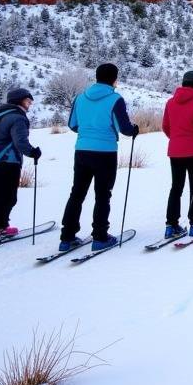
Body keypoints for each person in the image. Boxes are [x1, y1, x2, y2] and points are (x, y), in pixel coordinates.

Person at [58, 62, 140, 252]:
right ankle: (100, 236)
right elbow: (125, 128)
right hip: (105, 152)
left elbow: (72, 124)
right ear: (114, 79)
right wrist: (134, 129)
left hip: (82, 151)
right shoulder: (115, 99)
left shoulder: (80, 98)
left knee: (77, 194)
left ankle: (67, 237)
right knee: (103, 195)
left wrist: (88, 133)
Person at [0, 86, 42, 245]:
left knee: (6, 198)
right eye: (28, 100)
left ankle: (1, 226)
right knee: (2, 199)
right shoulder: (17, 117)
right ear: (20, 100)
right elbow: (20, 142)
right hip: (7, 163)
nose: (30, 104)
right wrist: (33, 152)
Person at [162, 69, 193, 239]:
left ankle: (171, 225)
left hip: (175, 151)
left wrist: (176, 139)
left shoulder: (170, 102)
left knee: (176, 188)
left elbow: (166, 127)